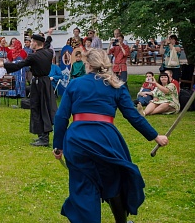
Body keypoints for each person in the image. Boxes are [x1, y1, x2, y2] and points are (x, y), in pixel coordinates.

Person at [53, 48, 168, 223]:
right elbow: (133, 115)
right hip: (105, 139)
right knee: (114, 182)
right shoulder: (116, 86)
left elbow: (61, 117)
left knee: (84, 185)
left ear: (89, 64)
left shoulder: (75, 84)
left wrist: (58, 145)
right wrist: (155, 136)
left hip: (77, 140)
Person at [5, 29, 56, 147]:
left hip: (39, 84)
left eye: (32, 41)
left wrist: (5, 65)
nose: (30, 43)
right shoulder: (48, 52)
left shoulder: (33, 56)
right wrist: (49, 35)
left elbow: (19, 65)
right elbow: (47, 43)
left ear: (36, 43)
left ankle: (43, 138)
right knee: (44, 108)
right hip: (46, 83)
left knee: (38, 108)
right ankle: (42, 137)